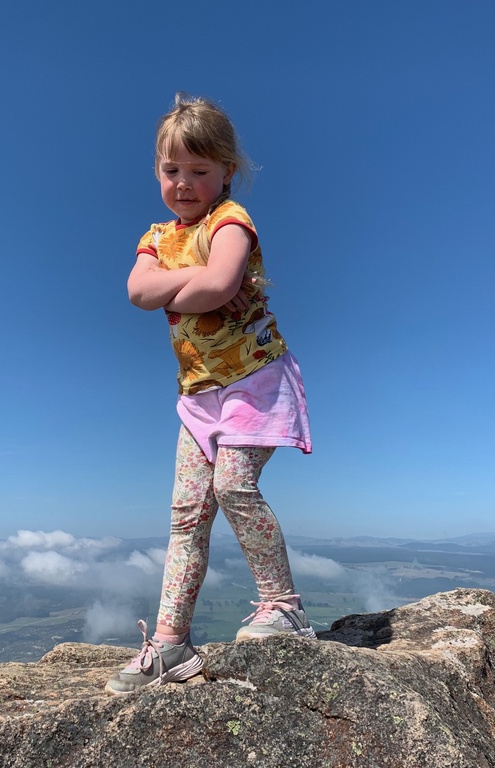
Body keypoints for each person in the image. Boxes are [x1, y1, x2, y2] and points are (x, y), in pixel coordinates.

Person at [104, 94, 314, 696]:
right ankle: (170, 643)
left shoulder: (231, 221)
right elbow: (137, 293)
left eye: (199, 170)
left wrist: (181, 288)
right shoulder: (155, 237)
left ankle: (284, 607)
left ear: (227, 171)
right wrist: (191, 284)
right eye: (171, 169)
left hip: (255, 382)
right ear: (157, 172)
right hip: (198, 397)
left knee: (233, 486)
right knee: (186, 513)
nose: (184, 182)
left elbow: (218, 287)